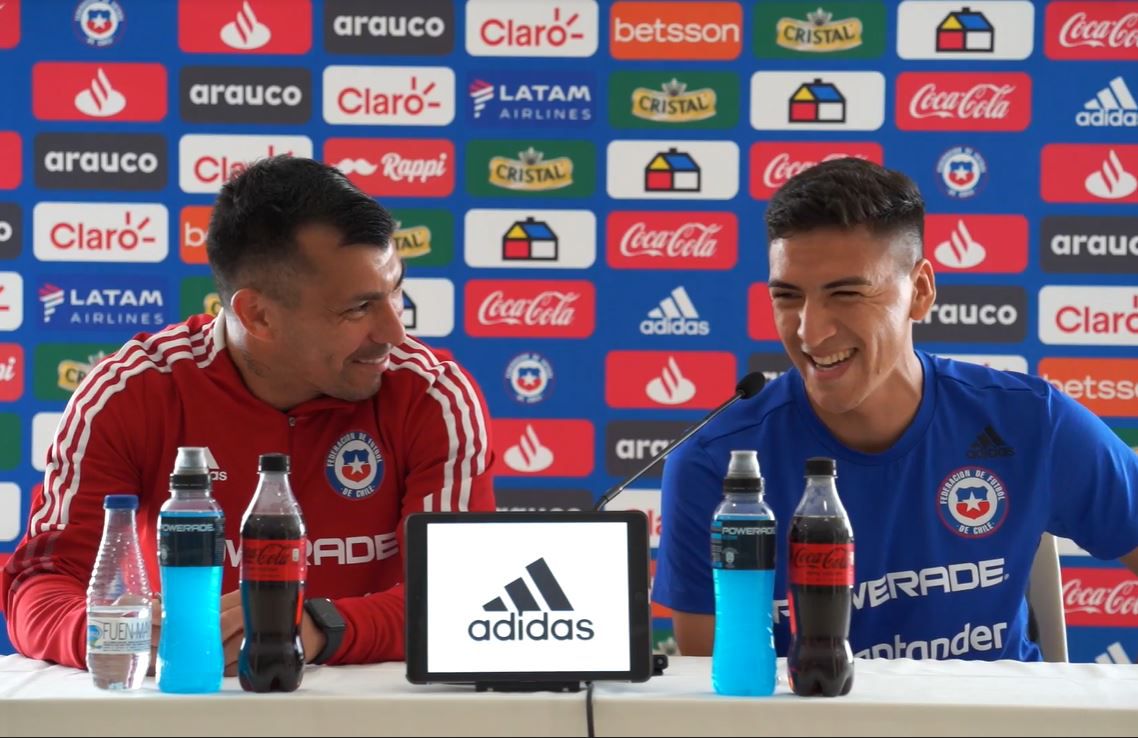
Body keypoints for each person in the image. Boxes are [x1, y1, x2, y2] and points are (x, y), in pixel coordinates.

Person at [1, 155, 496, 672]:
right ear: (256, 315)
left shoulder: (431, 392)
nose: (394, 332)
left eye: (396, 291)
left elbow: (465, 592)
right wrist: (122, 635)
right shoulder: (132, 392)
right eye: (357, 308)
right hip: (188, 706)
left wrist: (316, 628)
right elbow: (40, 583)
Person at [653, 157, 1138, 661]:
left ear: (921, 292)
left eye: (846, 294)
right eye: (788, 296)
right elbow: (715, 697)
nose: (809, 332)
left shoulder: (1033, 421)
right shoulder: (715, 464)